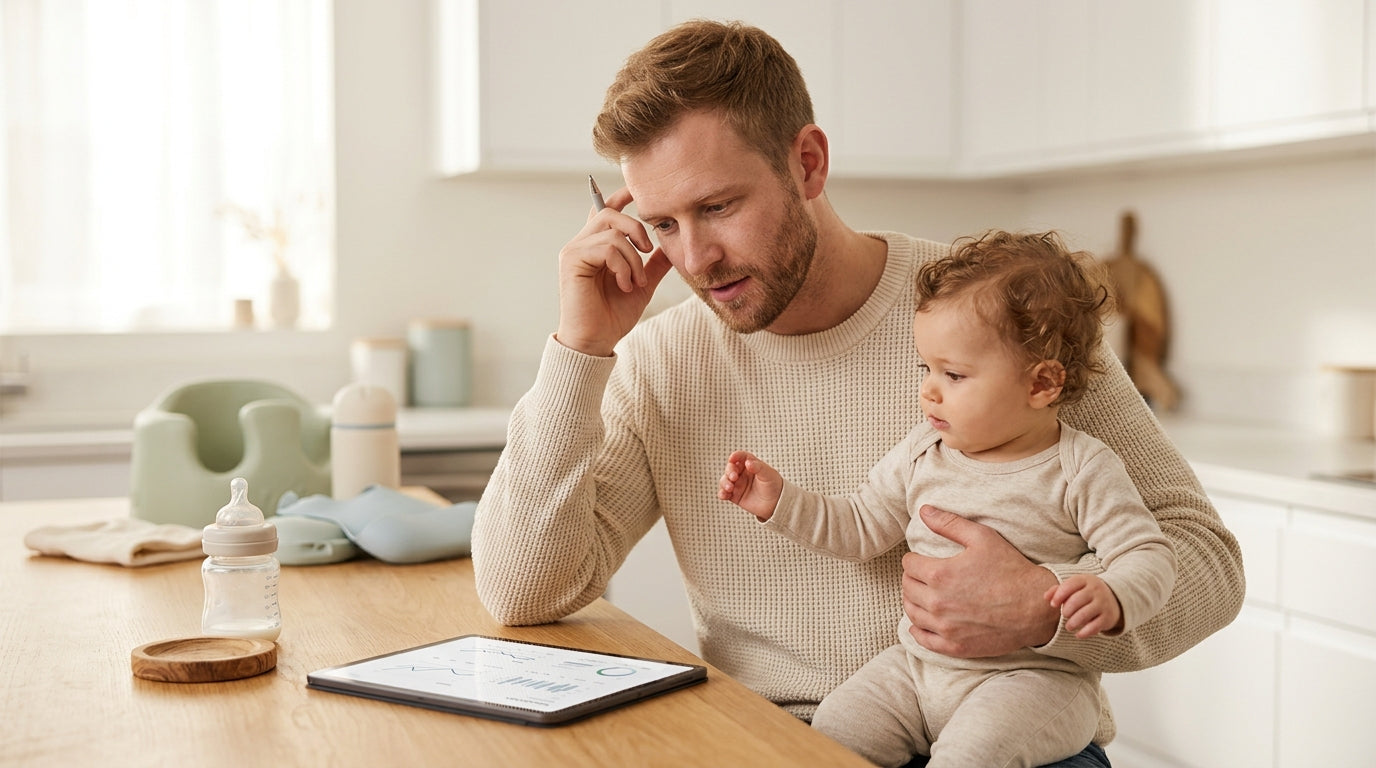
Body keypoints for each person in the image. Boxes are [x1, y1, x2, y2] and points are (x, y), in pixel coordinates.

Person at [471, 19, 1243, 768]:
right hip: (785, 740)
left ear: (807, 162)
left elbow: (1207, 562)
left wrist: (1043, 613)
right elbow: (521, 590)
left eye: (718, 207)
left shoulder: (1001, 320)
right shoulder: (658, 361)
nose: (697, 259)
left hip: (1015, 732)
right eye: (664, 224)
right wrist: (581, 350)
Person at [717, 230, 1178, 767]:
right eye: (926, 369)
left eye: (954, 374)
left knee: (968, 757)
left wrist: (1115, 594)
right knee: (832, 732)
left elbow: (1149, 554)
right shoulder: (923, 451)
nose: (929, 391)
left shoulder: (1081, 468)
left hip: (1033, 683)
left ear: (1042, 384)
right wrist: (779, 501)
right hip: (916, 670)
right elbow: (861, 524)